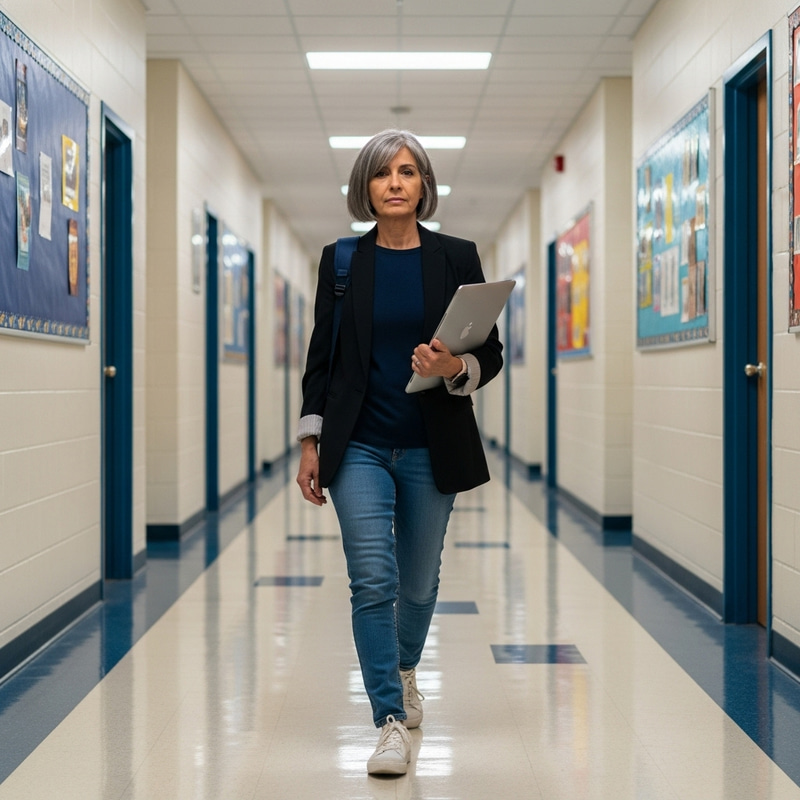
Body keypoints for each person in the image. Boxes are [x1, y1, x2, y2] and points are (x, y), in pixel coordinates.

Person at [296, 129, 503, 776]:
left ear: (423, 186)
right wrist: (312, 440)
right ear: (366, 186)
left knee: (416, 582)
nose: (394, 183)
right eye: (383, 173)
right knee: (373, 579)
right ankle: (388, 718)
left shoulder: (456, 258)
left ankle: (406, 667)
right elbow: (321, 360)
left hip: (428, 443)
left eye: (407, 172)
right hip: (358, 444)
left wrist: (452, 364)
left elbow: (490, 355)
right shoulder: (341, 262)